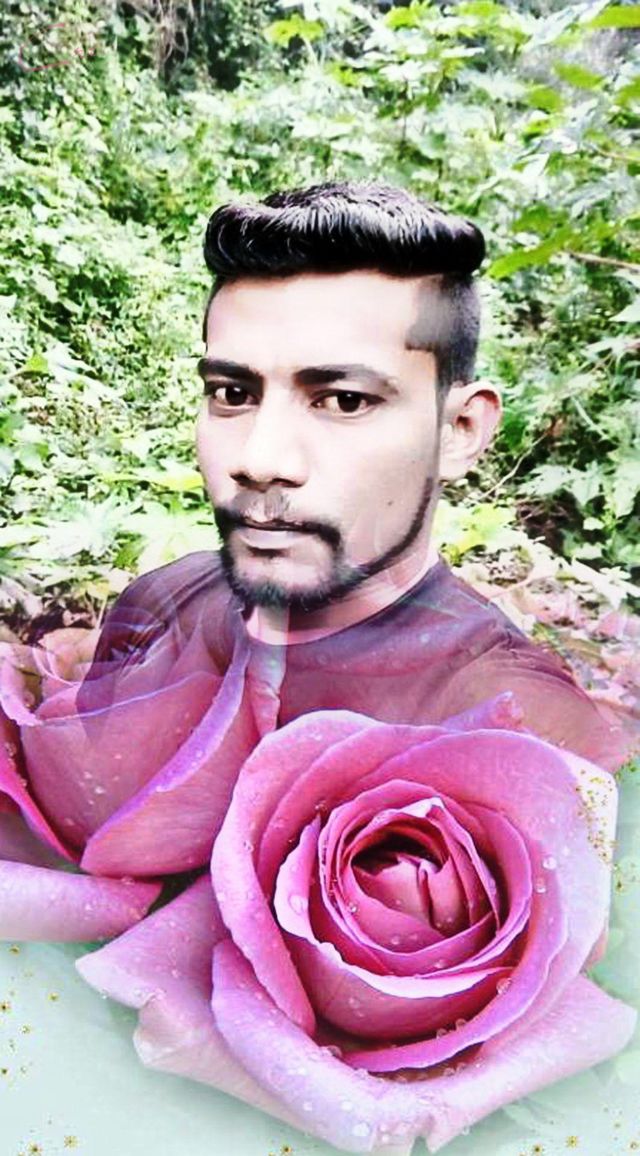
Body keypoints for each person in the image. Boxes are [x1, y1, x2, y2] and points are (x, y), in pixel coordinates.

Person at [85, 181, 633, 770]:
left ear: (460, 429)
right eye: (232, 394)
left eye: (344, 401)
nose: (261, 460)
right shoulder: (156, 611)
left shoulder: (528, 731)